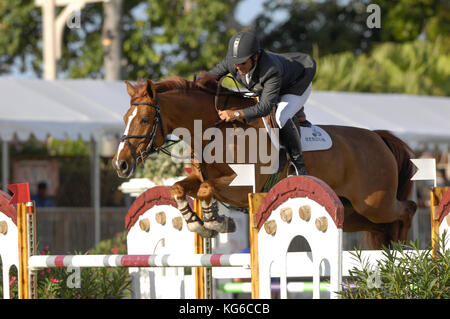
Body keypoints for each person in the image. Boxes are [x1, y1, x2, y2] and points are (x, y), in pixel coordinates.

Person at [208, 31, 316, 175]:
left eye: (242, 63)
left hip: (295, 84)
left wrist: (235, 113)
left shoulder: (270, 70)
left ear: (255, 57)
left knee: (280, 117)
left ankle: (299, 166)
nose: (238, 67)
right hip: (274, 84)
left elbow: (265, 107)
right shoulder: (233, 61)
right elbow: (208, 79)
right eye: (235, 63)